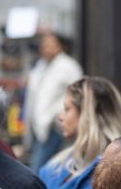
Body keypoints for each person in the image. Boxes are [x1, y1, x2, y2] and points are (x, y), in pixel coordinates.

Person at [39, 76, 121, 189]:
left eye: (67, 109)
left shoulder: (117, 167)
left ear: (87, 114)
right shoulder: (57, 165)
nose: (60, 116)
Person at [24, 29, 83, 172]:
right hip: (39, 127)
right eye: (44, 44)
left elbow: (79, 93)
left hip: (56, 126)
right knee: (48, 169)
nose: (45, 47)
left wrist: (62, 113)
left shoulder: (68, 66)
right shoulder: (41, 66)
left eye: (50, 43)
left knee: (38, 169)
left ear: (60, 46)